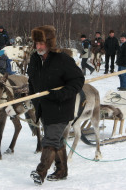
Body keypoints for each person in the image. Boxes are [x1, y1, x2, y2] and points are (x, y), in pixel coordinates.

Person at [27, 25, 85, 185]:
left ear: (50, 43)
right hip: (43, 107)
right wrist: (34, 98)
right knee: (58, 142)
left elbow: (78, 80)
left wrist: (60, 94)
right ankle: (62, 171)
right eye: (36, 43)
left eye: (42, 43)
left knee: (50, 140)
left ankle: (41, 172)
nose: (38, 47)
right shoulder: (34, 59)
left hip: (60, 107)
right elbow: (31, 80)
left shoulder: (62, 59)